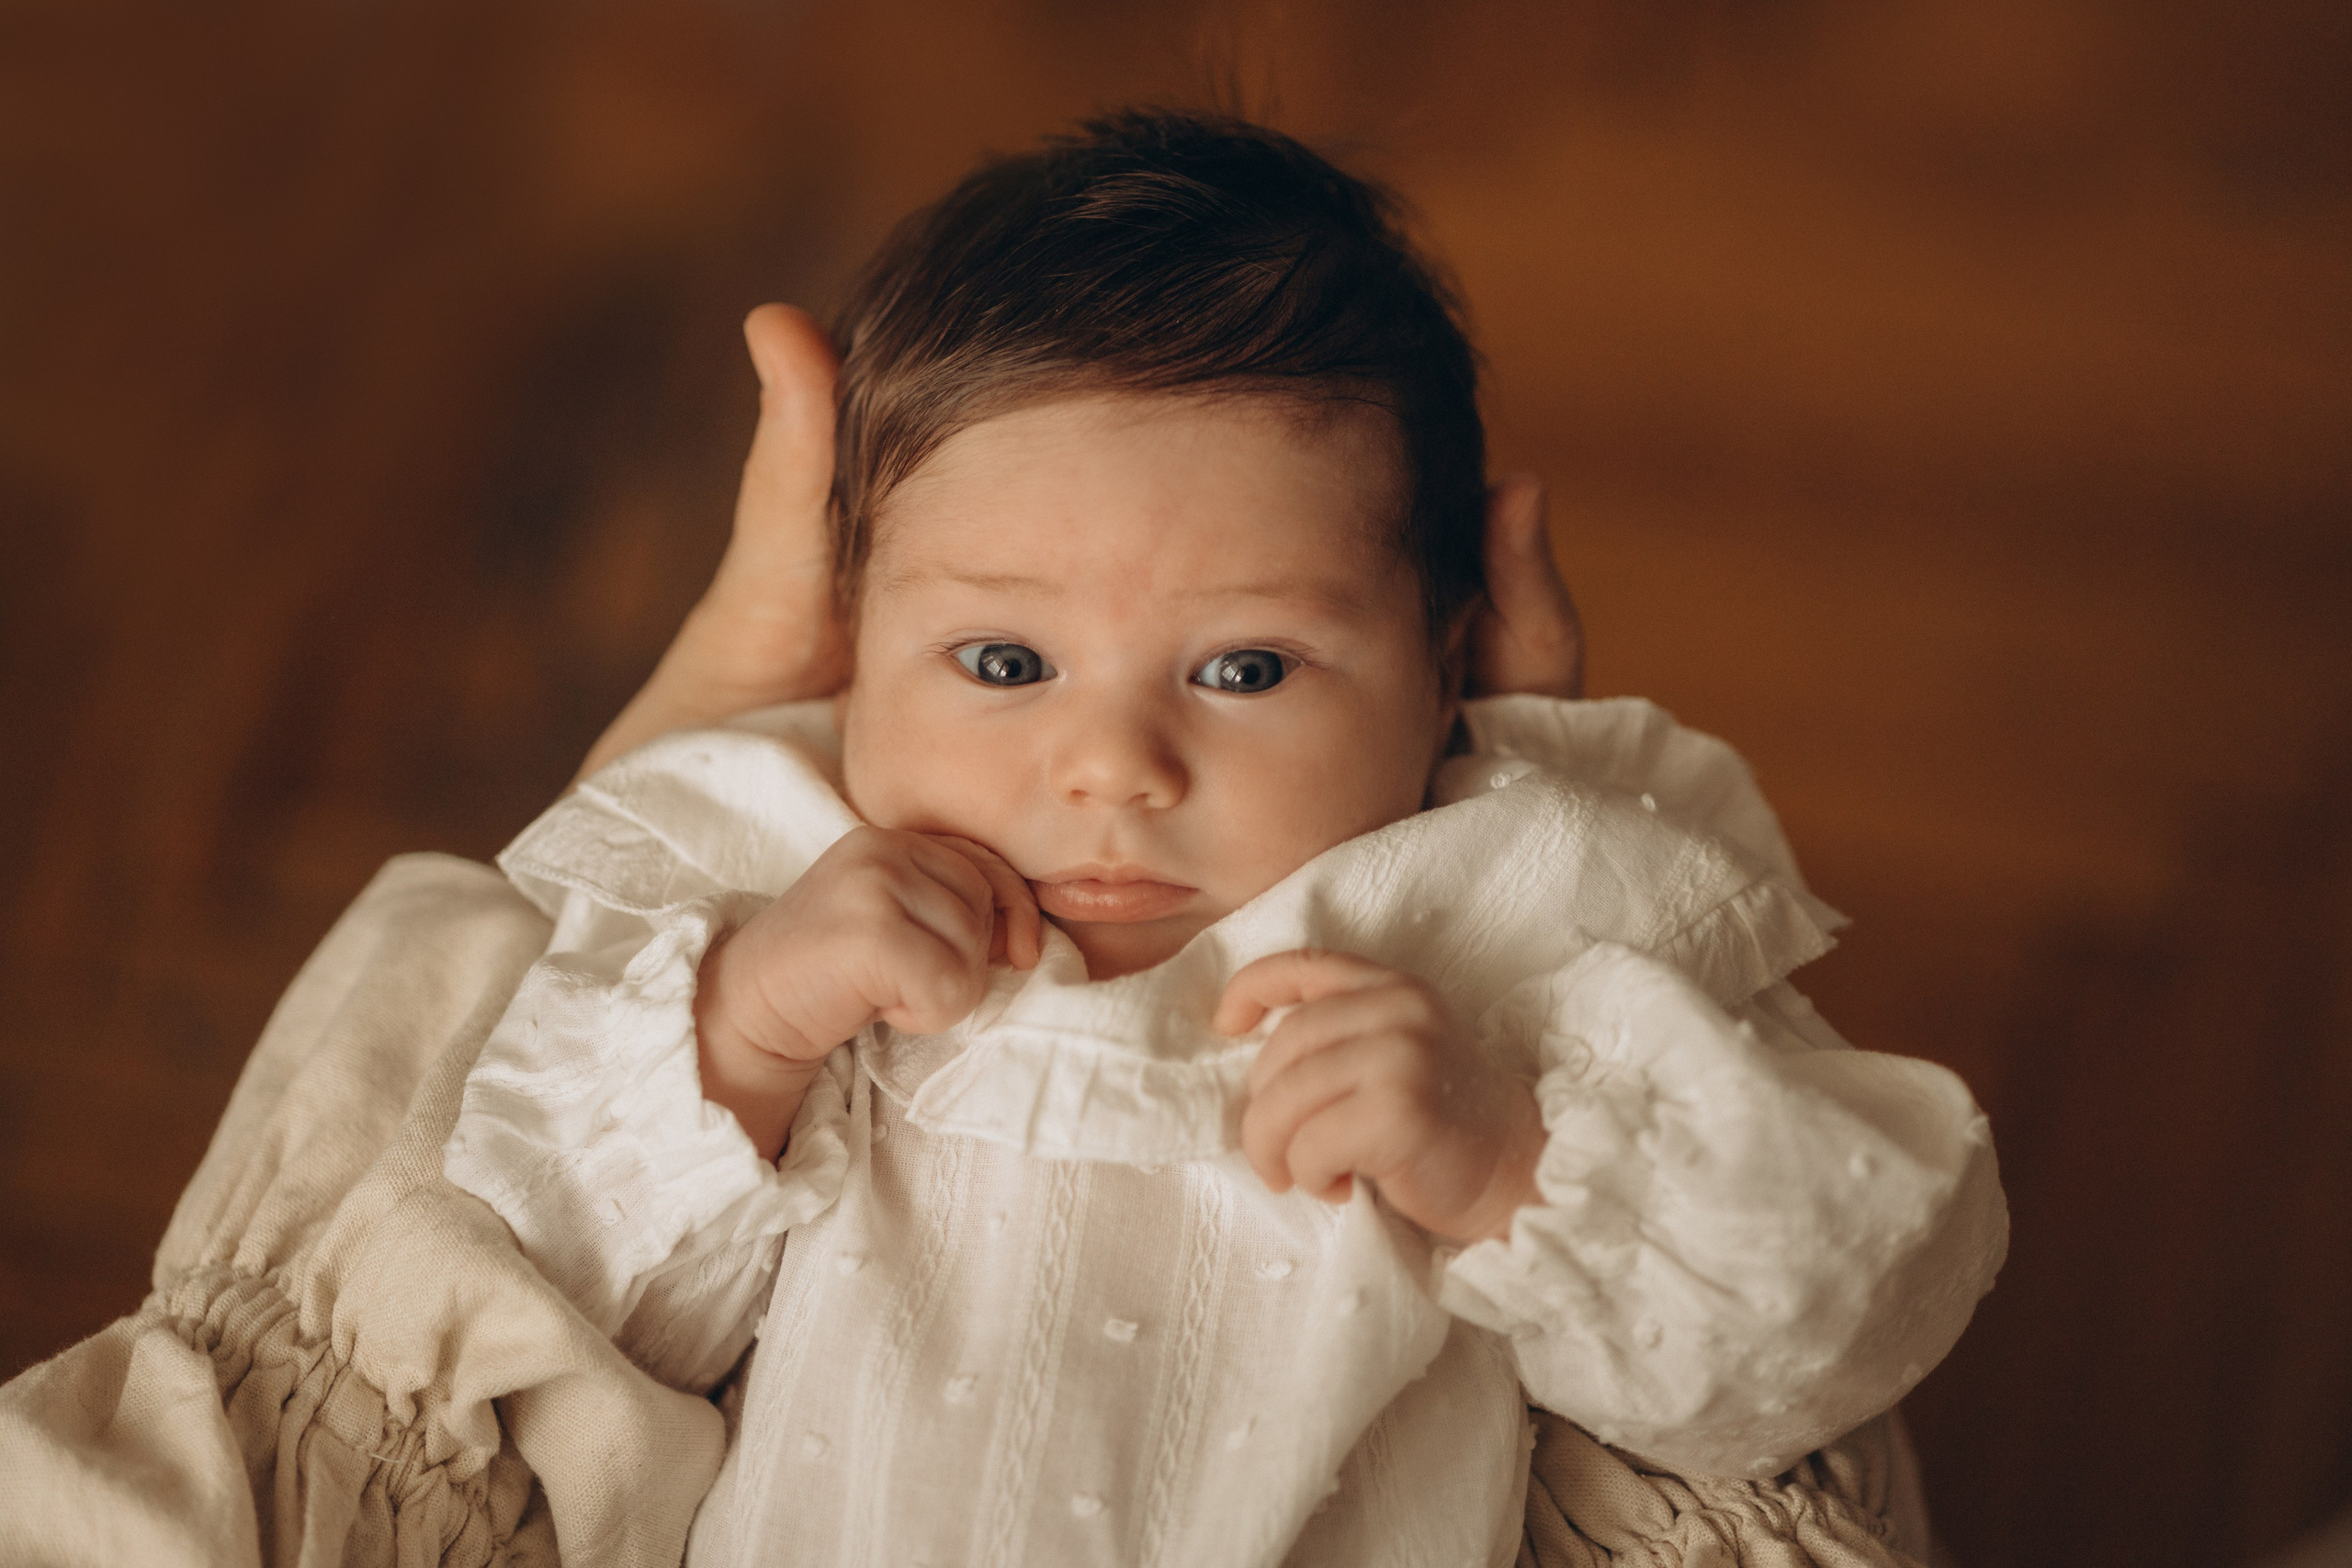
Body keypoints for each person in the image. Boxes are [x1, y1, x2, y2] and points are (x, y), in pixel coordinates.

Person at [435, 112, 2005, 1568]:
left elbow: (1841, 1323)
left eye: (1246, 670)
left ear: (1446, 664)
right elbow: (525, 1311)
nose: (1114, 767)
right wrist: (742, 1035)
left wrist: (1515, 1159)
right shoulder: (772, 874)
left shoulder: (1503, 916)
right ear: (854, 638)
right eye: (1002, 663)